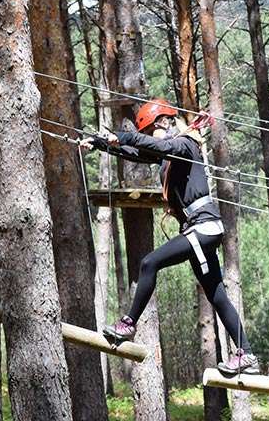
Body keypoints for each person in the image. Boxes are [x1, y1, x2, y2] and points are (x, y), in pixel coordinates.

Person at [80, 98, 259, 376]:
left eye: (152, 131)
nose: (151, 137)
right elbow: (138, 152)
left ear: (163, 122)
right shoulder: (169, 150)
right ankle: (247, 354)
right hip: (201, 230)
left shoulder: (185, 144)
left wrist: (125, 135)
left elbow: (159, 146)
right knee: (217, 294)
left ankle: (128, 324)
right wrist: (102, 143)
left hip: (203, 227)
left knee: (149, 263)